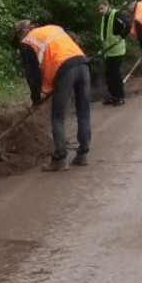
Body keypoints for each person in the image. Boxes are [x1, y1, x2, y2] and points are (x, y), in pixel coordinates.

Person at [13, 18, 91, 172]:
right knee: (83, 112)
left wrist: (36, 98)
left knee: (58, 117)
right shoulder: (54, 28)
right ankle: (83, 154)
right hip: (83, 65)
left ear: (22, 33)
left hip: (65, 71)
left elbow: (33, 75)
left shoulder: (28, 42)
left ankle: (60, 159)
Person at [96, 0, 129, 106]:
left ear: (107, 6)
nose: (101, 11)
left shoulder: (116, 14)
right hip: (109, 51)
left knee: (115, 75)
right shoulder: (104, 17)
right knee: (109, 75)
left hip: (117, 50)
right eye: (99, 9)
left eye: (102, 8)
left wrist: (122, 36)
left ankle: (120, 96)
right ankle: (113, 96)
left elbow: (127, 25)